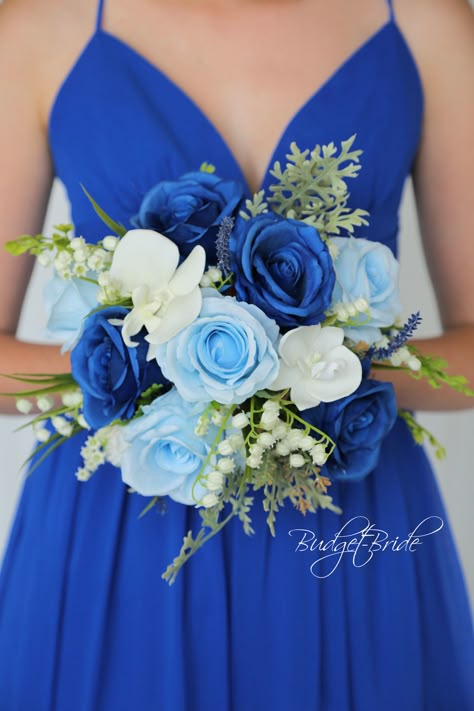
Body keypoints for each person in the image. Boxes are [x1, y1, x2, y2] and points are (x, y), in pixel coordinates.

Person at [0, 0, 473, 708]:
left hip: (350, 527)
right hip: (115, 532)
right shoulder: (40, 25)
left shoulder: (427, 23)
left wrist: (310, 372)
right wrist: (156, 377)